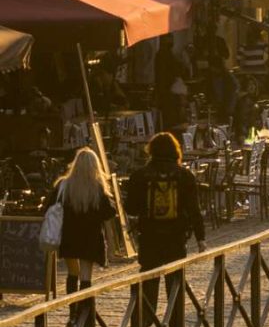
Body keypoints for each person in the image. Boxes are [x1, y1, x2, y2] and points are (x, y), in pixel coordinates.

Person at [124, 132, 206, 316]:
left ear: (151, 150)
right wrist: (201, 237)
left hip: (149, 235)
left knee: (148, 278)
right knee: (175, 278)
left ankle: (144, 321)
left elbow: (131, 208)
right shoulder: (184, 176)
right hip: (176, 235)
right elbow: (194, 209)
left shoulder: (140, 175)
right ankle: (175, 321)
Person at [46, 148, 115, 301]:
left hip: (69, 236)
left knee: (72, 274)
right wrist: (110, 243)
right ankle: (85, 317)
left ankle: (72, 313)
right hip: (90, 238)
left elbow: (49, 207)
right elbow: (109, 213)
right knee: (85, 277)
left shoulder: (63, 186)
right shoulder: (97, 188)